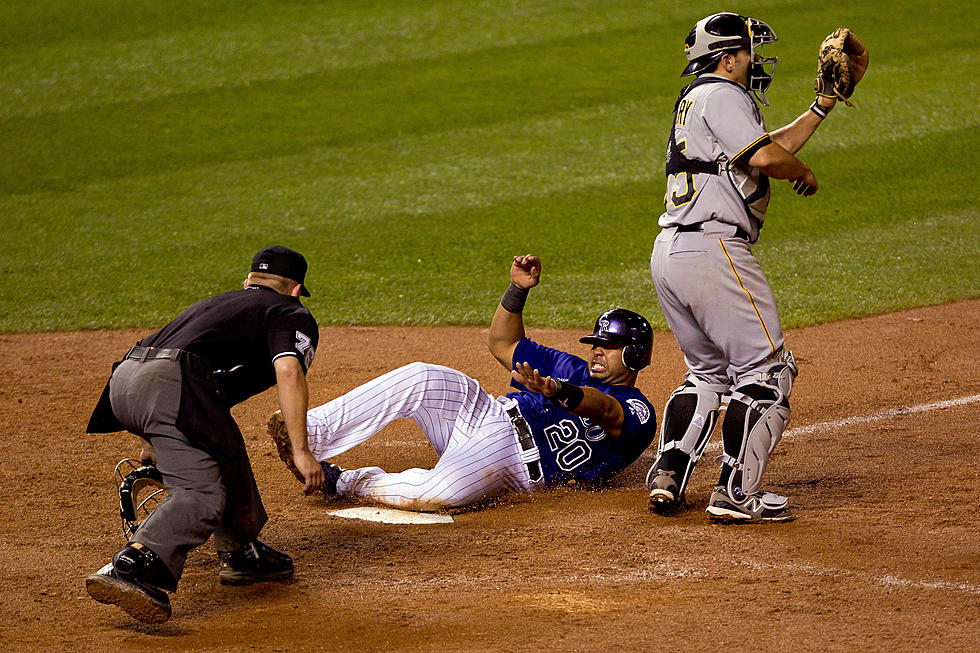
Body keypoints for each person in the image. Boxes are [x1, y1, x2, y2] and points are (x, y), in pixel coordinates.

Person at [268, 254, 657, 512]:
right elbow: (503, 343)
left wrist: (557, 391)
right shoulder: (567, 364)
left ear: (636, 354)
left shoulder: (640, 411)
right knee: (419, 376)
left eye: (610, 346)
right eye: (596, 344)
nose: (597, 352)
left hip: (512, 463)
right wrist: (518, 289)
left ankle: (342, 482)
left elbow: (605, 409)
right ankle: (308, 432)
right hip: (486, 412)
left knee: (435, 494)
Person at [645, 13, 842, 522]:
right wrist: (804, 171)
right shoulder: (725, 95)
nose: (755, 60)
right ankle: (737, 493)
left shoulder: (697, 99)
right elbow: (770, 158)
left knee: (707, 375)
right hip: (713, 249)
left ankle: (670, 471)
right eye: (749, 51)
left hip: (671, 252)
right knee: (768, 372)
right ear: (728, 57)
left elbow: (759, 148)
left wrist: (821, 107)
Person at [84, 245, 324, 624]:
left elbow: (162, 356)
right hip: (170, 387)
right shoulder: (288, 311)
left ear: (247, 282)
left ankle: (241, 550)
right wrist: (302, 451)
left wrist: (150, 438)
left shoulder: (216, 305)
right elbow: (289, 371)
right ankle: (133, 565)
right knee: (201, 494)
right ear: (295, 289)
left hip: (125, 381)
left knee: (225, 444)